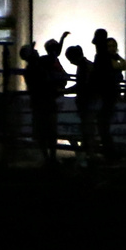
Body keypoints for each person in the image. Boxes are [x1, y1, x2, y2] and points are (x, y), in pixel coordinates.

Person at [31, 32, 70, 165]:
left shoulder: (45, 60)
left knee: (47, 131)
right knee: (49, 131)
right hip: (49, 99)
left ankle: (49, 156)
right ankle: (49, 156)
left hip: (46, 100)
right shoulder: (48, 61)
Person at [91, 33, 126, 161]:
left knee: (103, 125)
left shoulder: (102, 57)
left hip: (107, 94)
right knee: (104, 125)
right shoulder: (105, 58)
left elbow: (123, 65)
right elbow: (121, 66)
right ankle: (110, 152)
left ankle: (109, 152)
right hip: (108, 94)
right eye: (109, 45)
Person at [64, 43, 96, 161]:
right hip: (88, 101)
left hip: (87, 102)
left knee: (87, 129)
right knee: (88, 129)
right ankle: (88, 154)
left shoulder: (83, 67)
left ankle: (88, 154)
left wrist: (66, 90)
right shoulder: (87, 65)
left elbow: (82, 85)